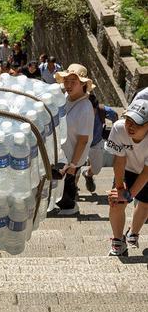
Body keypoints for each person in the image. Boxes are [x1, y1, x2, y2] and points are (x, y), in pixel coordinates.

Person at [105, 100, 148, 256]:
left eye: (137, 123)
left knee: (144, 203)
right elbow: (119, 159)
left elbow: (146, 172)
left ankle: (133, 233)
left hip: (146, 171)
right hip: (128, 168)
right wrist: (120, 187)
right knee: (116, 202)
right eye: (128, 120)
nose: (130, 126)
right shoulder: (118, 128)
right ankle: (118, 240)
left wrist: (130, 195)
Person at [55, 64, 96, 215]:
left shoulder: (85, 108)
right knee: (59, 185)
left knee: (66, 187)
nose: (69, 85)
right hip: (62, 152)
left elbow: (83, 140)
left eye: (74, 82)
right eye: (67, 81)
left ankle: (71, 208)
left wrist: (73, 164)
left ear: (83, 84)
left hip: (73, 155)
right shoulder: (66, 98)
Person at [81, 94, 119, 193]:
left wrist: (114, 133)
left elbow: (115, 117)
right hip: (79, 144)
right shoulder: (78, 111)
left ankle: (87, 174)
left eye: (90, 111)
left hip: (95, 143)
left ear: (96, 108)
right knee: (74, 168)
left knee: (97, 169)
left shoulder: (103, 111)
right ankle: (72, 191)